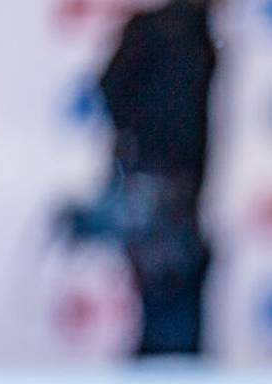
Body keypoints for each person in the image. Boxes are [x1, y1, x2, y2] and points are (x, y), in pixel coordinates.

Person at [99, 0, 217, 355]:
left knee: (171, 294)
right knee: (166, 298)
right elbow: (112, 90)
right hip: (160, 182)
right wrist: (142, 151)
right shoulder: (163, 31)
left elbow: (111, 89)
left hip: (174, 182)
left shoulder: (195, 29)